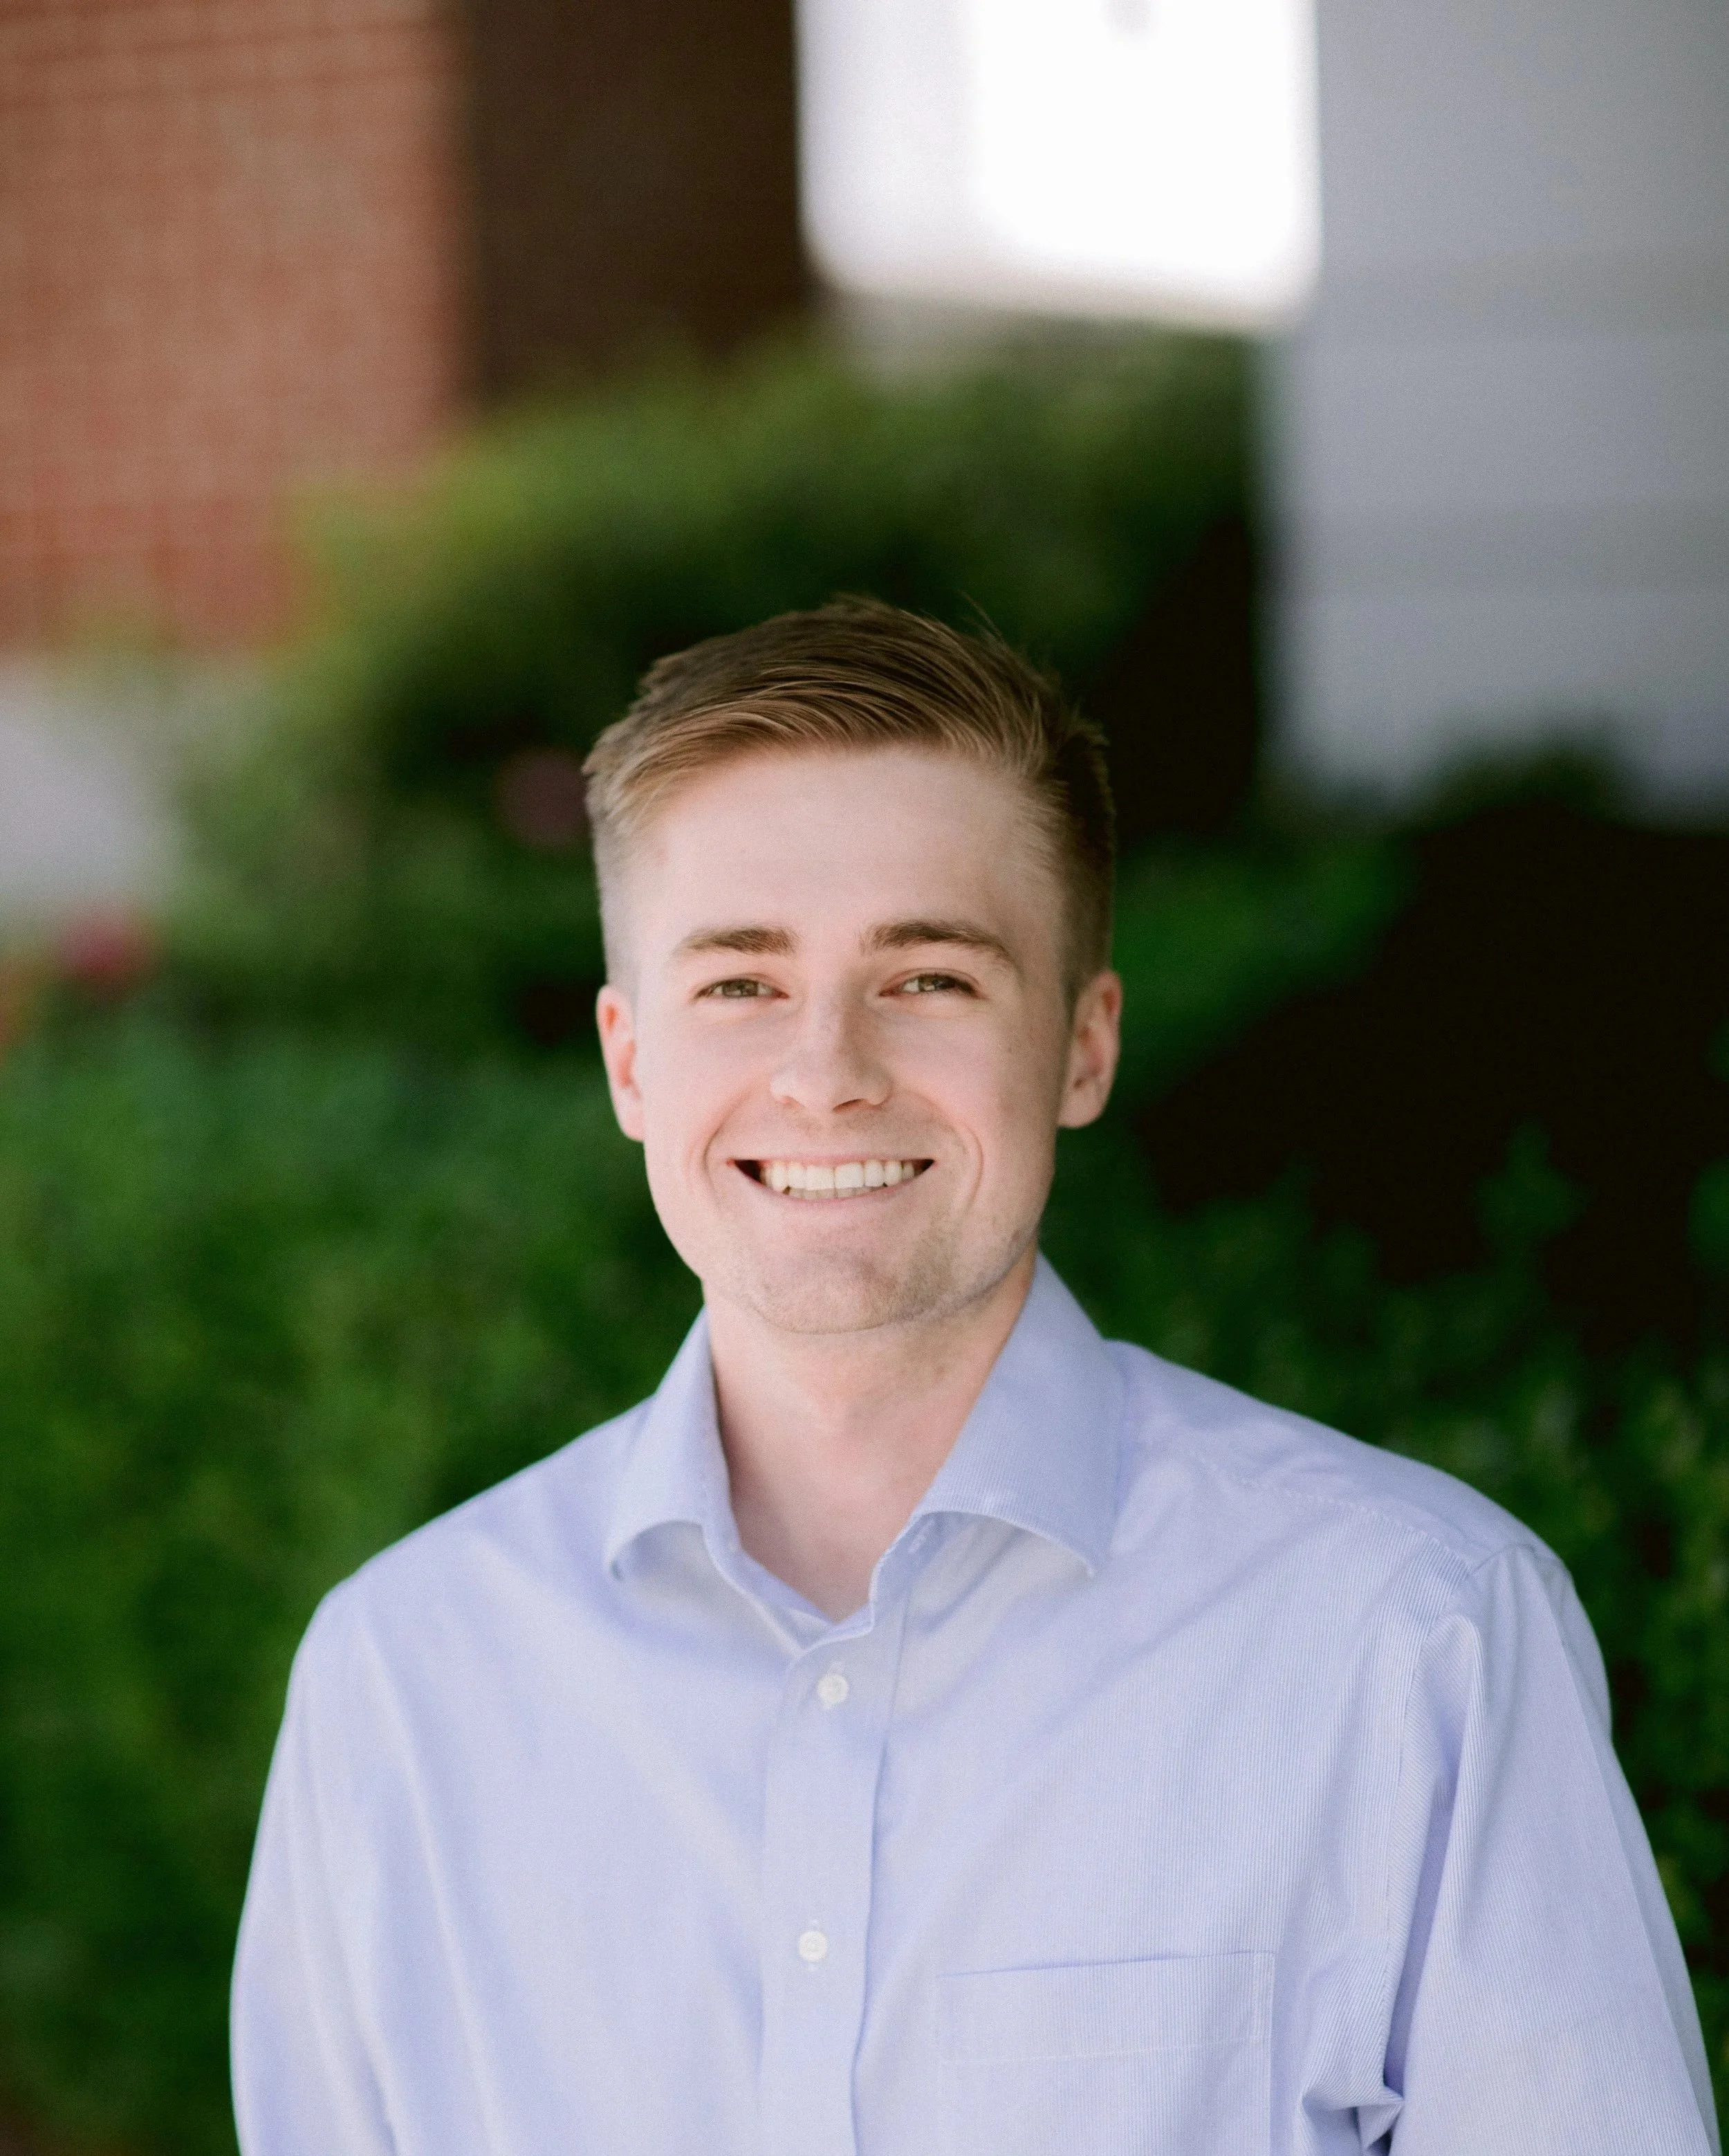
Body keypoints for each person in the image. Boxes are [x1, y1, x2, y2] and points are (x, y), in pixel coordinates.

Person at [232, 600, 1718, 2155]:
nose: (826, 1070)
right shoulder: (398, 1683)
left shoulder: (1409, 1636)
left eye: (928, 977)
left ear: (1081, 1046)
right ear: (626, 1060)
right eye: (737, 983)